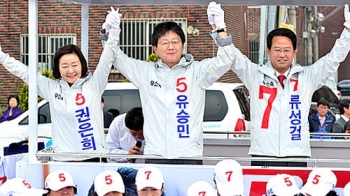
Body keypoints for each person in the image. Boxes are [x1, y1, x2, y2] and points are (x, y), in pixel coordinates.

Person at [100, 3, 233, 164]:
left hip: (189, 156)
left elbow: (226, 60)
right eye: (164, 43)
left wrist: (220, 28)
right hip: (156, 155)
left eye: (175, 42)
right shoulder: (146, 72)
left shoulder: (197, 71)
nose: (171, 47)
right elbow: (115, 58)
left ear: (182, 45)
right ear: (155, 48)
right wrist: (109, 33)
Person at [227, 3, 350, 167]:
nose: (282, 55)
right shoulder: (255, 75)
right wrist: (220, 29)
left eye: (287, 50)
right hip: (263, 153)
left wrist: (348, 31)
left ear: (294, 52)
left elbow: (333, 60)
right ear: (268, 51)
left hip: (297, 153)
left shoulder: (307, 77)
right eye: (277, 50)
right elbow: (235, 58)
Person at [0, 9, 122, 161]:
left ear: (82, 65)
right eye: (64, 66)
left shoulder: (94, 84)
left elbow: (107, 57)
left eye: (74, 65)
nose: (70, 70)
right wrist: (2, 57)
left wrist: (114, 31)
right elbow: (25, 72)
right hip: (61, 160)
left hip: (93, 159)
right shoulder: (52, 88)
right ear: (58, 68)